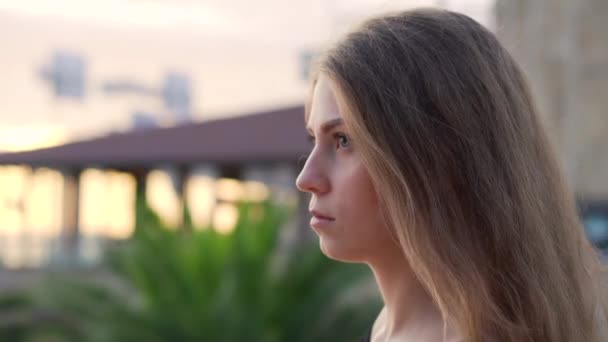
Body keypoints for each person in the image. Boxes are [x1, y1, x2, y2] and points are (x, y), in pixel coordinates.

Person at [295, 8, 608, 342]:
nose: (306, 178)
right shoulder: (388, 327)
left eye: (344, 140)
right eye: (314, 139)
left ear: (437, 160)